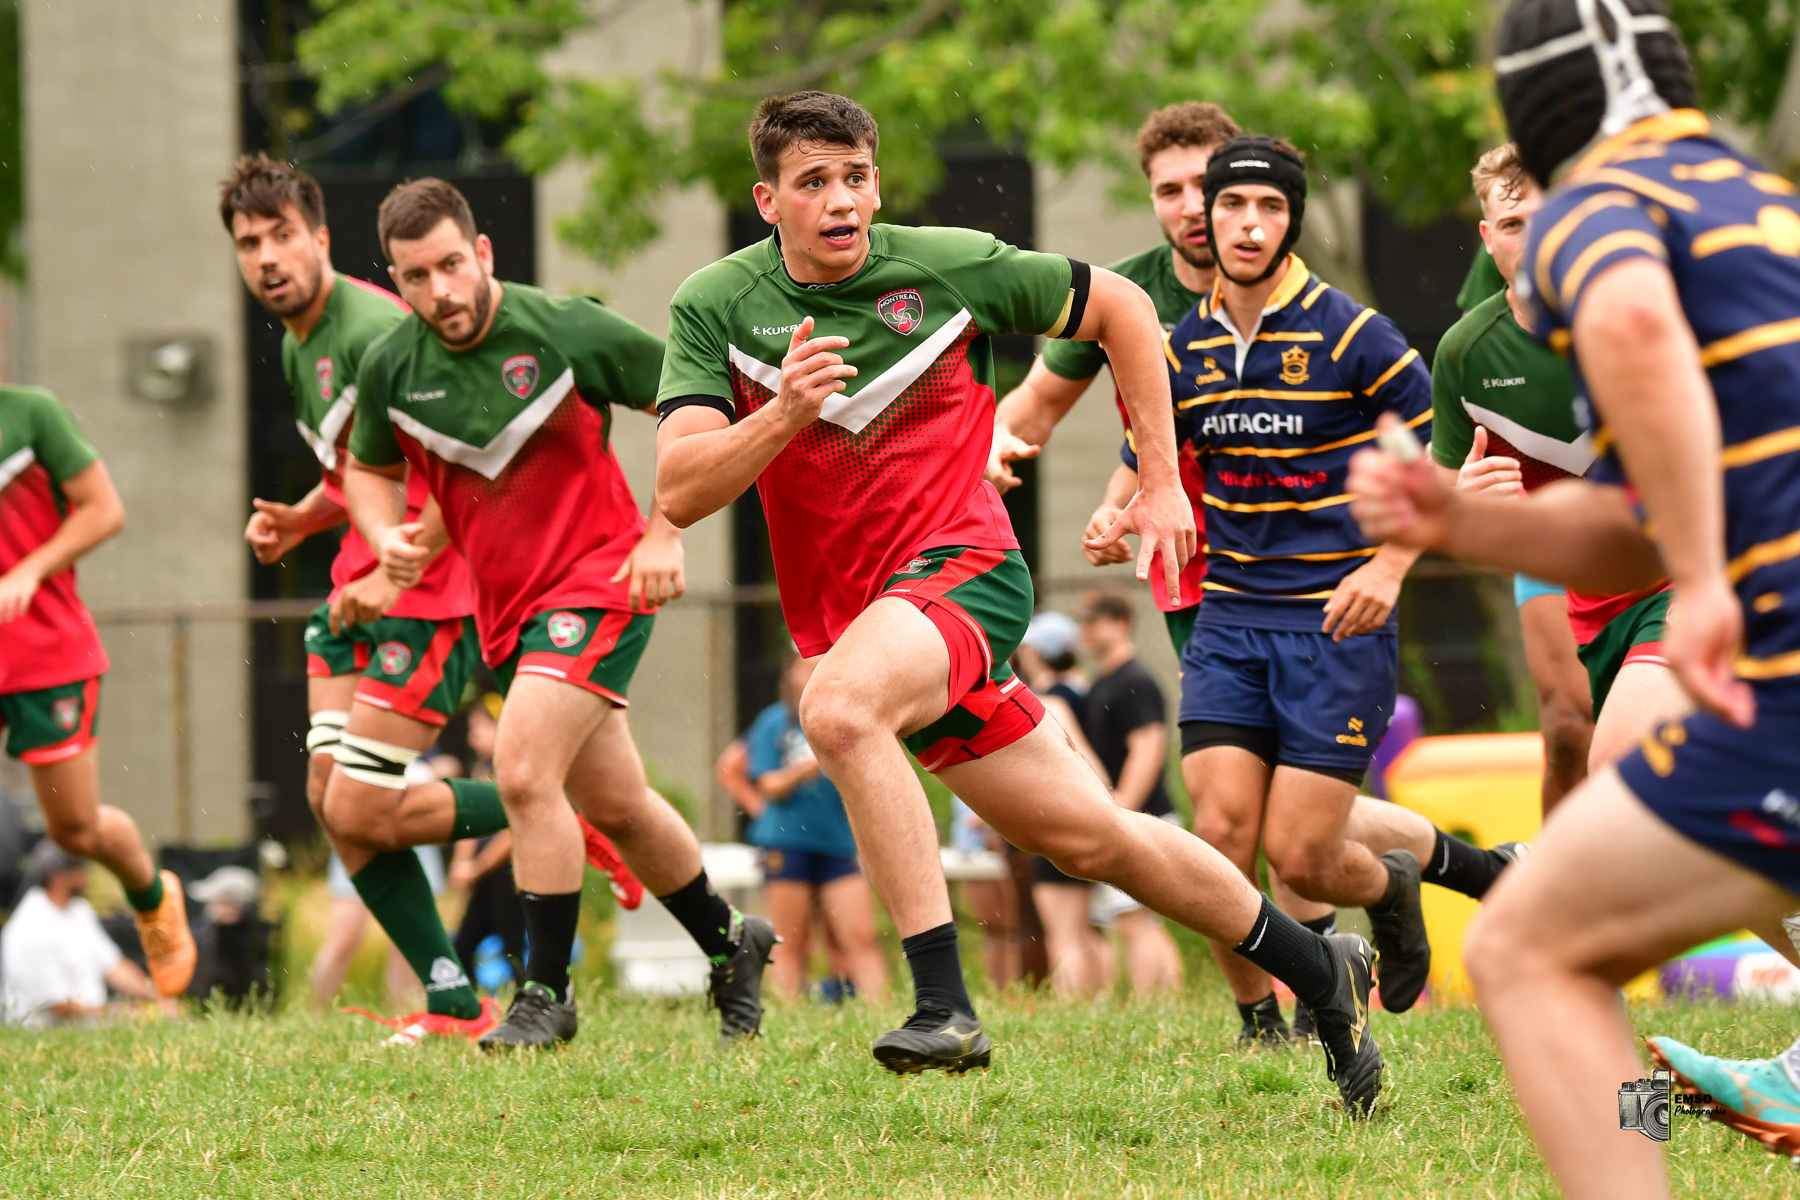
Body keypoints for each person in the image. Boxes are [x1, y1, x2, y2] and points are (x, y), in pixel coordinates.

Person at [655, 89, 1385, 1113]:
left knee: (836, 708)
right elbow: (681, 487)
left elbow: (1122, 309)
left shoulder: (946, 265)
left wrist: (1164, 481)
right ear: (766, 199)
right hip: (877, 619)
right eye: (813, 182)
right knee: (1093, 837)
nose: (841, 200)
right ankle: (1318, 969)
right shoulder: (714, 305)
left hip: (965, 573)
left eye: (856, 176)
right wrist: (781, 413)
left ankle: (944, 1003)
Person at [1348, 1, 1800, 1188]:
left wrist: (1702, 583)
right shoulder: (1761, 205)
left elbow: (1640, 336)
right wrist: (1460, 519)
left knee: (1531, 945)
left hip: (1763, 648)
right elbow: (1635, 512)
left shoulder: (1597, 205)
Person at [347, 177, 774, 1051]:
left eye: (453, 266)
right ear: (395, 281)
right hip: (506, 616)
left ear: (485, 254)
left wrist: (665, 532)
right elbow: (369, 466)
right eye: (417, 277)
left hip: (600, 582)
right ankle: (733, 944)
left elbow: (699, 413)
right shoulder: (392, 365)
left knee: (521, 773)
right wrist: (384, 535)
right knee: (616, 804)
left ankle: (545, 996)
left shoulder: (566, 328)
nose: (442, 292)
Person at [224, 154, 506, 1044]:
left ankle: (546, 798)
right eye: (248, 243)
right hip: (355, 589)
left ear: (321, 239)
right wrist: (304, 520)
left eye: (282, 237)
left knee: (357, 805)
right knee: (328, 793)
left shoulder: (383, 326)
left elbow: (452, 461)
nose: (268, 258)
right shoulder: (295, 341)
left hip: (427, 591)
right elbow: (360, 471)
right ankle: (452, 998)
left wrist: (393, 570)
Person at [1429, 142, 1685, 806]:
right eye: (1514, 225)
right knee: (1578, 738)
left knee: (1619, 761)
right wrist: (1465, 501)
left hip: (1691, 572)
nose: (1534, 239)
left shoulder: (1646, 310)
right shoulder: (1465, 354)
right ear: (1488, 239)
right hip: (1592, 596)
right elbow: (1443, 496)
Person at [990, 101, 1242, 654]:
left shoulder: (1308, 304)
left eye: (1205, 183)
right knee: (1224, 737)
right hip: (1199, 567)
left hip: (1307, 566)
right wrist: (991, 446)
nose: (1192, 206)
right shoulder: (1123, 296)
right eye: (1169, 191)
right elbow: (1036, 404)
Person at [0, 383, 195, 998]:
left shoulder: (31, 413)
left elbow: (103, 509)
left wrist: (31, 567)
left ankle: (152, 896)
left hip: (44, 654)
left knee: (74, 832)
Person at [741, 651, 888, 1001]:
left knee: (860, 936)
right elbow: (767, 785)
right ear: (790, 674)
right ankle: (787, 1014)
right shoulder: (774, 723)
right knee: (790, 940)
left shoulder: (847, 721)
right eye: (807, 667)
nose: (815, 674)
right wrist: (799, 773)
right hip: (786, 841)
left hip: (838, 842)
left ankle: (884, 1011)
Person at [1071, 589, 1183, 997]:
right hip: (1131, 815)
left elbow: (1149, 748)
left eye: (1092, 621)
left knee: (1134, 919)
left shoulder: (1135, 681)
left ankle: (1152, 1008)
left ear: (1119, 624)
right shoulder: (1105, 681)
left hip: (1143, 815)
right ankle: (1163, 1007)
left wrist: (1122, 811)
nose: (1083, 630)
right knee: (1136, 920)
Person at [2, 841, 174, 1026]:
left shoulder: (79, 910)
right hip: (48, 1035)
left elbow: (114, 966)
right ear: (58, 877)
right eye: (81, 868)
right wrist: (127, 1013)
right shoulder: (29, 927)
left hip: (93, 1027)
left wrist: (159, 998)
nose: (88, 874)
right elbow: (58, 1006)